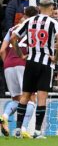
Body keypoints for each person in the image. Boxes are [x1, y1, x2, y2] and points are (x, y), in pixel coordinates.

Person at [9, 0, 58, 139]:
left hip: (30, 62)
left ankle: (17, 130)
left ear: (39, 7)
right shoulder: (53, 23)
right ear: (51, 7)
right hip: (46, 63)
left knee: (25, 95)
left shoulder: (28, 21)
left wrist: (21, 54)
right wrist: (56, 58)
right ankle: (38, 132)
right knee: (41, 97)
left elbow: (13, 38)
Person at [0, 8, 37, 138]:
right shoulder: (33, 29)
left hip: (8, 65)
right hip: (23, 64)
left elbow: (2, 50)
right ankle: (24, 129)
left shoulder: (11, 30)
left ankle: (4, 116)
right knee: (31, 99)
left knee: (16, 99)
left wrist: (8, 63)